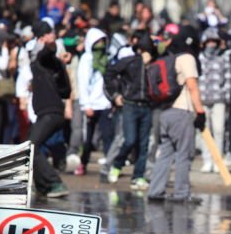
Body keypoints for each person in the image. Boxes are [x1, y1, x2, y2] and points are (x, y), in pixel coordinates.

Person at [147, 25, 208, 203]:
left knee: (165, 153)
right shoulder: (187, 58)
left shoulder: (168, 57)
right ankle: (182, 193)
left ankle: (155, 191)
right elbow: (192, 86)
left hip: (165, 112)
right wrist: (200, 111)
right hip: (182, 112)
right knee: (184, 155)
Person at [25, 21, 70, 198]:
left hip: (51, 111)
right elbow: (66, 90)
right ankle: (43, 187)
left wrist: (51, 44)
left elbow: (46, 53)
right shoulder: (52, 65)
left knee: (32, 147)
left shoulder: (47, 58)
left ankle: (54, 182)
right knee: (31, 147)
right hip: (49, 111)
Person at [106, 33, 154, 190]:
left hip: (147, 106)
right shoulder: (130, 62)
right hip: (130, 105)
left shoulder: (154, 65)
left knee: (144, 144)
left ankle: (138, 176)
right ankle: (117, 164)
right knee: (130, 140)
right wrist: (115, 95)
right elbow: (109, 74)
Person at [75, 27, 114, 175]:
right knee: (88, 139)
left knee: (107, 136)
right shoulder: (87, 59)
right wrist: (86, 105)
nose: (101, 44)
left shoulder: (107, 58)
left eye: (103, 41)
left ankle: (109, 164)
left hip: (104, 103)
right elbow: (83, 83)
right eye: (97, 41)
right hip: (91, 105)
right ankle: (83, 163)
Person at [197, 28, 231, 173]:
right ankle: (207, 160)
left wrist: (226, 96)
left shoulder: (223, 58)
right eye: (208, 41)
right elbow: (195, 79)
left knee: (219, 130)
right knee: (205, 131)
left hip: (219, 100)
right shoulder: (199, 59)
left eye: (213, 41)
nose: (211, 44)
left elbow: (228, 79)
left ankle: (218, 160)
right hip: (202, 100)